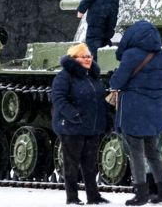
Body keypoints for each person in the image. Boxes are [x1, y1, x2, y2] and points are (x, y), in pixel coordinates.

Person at [109, 21, 162, 206]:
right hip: (156, 111)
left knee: (135, 152)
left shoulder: (131, 55)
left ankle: (141, 193)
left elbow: (117, 82)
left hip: (135, 110)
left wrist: (113, 76)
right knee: (154, 152)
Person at [51, 43, 109, 205]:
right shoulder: (64, 76)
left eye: (89, 56)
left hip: (91, 127)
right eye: (84, 56)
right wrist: (73, 115)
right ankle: (72, 197)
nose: (88, 59)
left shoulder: (92, 76)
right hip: (72, 127)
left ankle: (93, 197)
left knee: (90, 165)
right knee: (71, 165)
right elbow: (58, 98)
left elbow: (98, 99)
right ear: (74, 58)